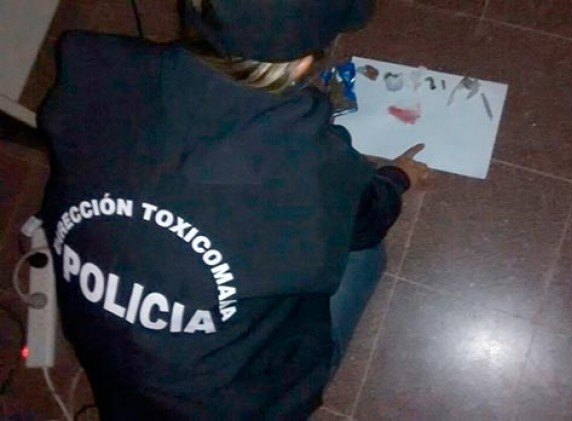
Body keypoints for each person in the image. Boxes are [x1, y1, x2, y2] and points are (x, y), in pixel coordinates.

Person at [37, 0, 429, 418]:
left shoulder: (93, 73)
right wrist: (395, 179)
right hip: (232, 406)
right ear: (301, 64)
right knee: (364, 252)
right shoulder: (307, 169)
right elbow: (367, 218)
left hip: (116, 367)